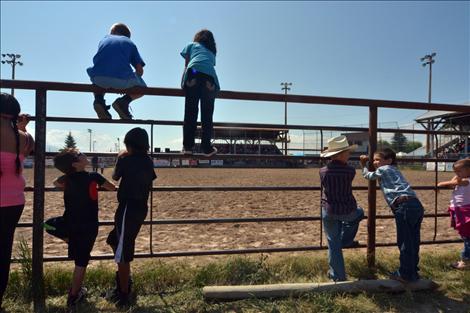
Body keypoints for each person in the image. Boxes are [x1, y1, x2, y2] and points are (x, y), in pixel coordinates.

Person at [53, 149, 115, 308]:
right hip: (89, 225)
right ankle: (73, 295)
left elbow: (55, 183)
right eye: (79, 155)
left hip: (70, 223)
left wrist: (68, 177)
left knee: (47, 224)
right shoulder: (93, 176)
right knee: (81, 261)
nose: (83, 154)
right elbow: (112, 187)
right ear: (75, 163)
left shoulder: (67, 179)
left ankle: (67, 238)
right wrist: (96, 186)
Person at [105, 127, 156, 307]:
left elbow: (114, 177)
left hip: (127, 208)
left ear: (129, 145)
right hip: (140, 207)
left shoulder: (126, 160)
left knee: (123, 252)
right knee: (114, 240)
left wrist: (119, 157)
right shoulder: (148, 161)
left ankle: (123, 293)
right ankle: (124, 282)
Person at [360, 148, 424, 282]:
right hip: (415, 204)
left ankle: (405, 274)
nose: (375, 162)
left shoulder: (385, 169)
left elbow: (369, 176)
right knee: (413, 240)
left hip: (403, 206)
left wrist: (364, 165)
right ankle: (412, 271)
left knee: (404, 241)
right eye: (374, 160)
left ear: (389, 160)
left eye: (378, 159)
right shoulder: (394, 169)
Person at [0, 93, 34, 310]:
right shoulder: (23, 138)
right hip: (13, 201)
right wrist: (22, 126)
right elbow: (30, 142)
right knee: (3, 251)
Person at [320, 135, 364, 282]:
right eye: (347, 153)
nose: (349, 155)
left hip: (329, 209)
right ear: (340, 155)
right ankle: (346, 239)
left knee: (333, 243)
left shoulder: (323, 171)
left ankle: (338, 276)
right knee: (359, 213)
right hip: (347, 210)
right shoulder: (350, 171)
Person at [87, 23, 146, 120]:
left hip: (99, 79)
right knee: (143, 88)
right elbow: (139, 71)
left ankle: (98, 100)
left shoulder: (104, 40)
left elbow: (103, 64)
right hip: (122, 81)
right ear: (127, 36)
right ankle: (123, 102)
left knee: (97, 75)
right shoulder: (130, 43)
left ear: (112, 32)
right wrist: (129, 86)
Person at [180, 29, 219, 157]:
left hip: (194, 73)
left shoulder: (191, 45)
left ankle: (188, 147)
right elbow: (208, 66)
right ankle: (206, 148)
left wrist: (183, 82)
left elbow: (187, 65)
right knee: (207, 114)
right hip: (209, 78)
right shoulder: (212, 52)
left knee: (190, 112)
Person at [437, 158, 470, 270]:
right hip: (460, 211)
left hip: (464, 212)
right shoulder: (463, 180)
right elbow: (453, 184)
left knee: (467, 237)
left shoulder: (467, 181)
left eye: (459, 171)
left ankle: (465, 261)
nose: (457, 174)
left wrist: (440, 183)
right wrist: (458, 175)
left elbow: (455, 183)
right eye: (455, 172)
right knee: (466, 236)